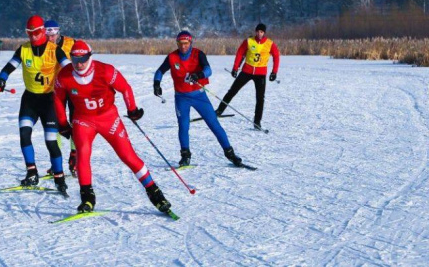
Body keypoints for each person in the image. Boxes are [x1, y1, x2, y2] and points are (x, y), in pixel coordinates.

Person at [54, 40, 172, 214]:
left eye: (83, 59)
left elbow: (125, 88)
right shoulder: (64, 75)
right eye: (75, 59)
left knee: (128, 156)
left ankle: (155, 193)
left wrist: (132, 110)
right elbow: (58, 99)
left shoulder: (105, 71)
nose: (79, 64)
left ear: (90, 57)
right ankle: (87, 198)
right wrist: (63, 123)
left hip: (108, 118)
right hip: (83, 120)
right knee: (82, 154)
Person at [0, 15, 71, 193]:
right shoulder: (24, 50)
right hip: (29, 100)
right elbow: (8, 67)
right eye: (29, 33)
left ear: (43, 31)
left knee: (51, 141)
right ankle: (32, 173)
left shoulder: (55, 50)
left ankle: (59, 177)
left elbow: (69, 69)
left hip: (50, 101)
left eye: (36, 32)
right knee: (24, 134)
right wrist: (1, 81)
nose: (33, 36)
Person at [153, 31, 242, 167]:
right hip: (181, 97)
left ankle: (230, 153)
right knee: (183, 126)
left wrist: (199, 74)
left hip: (199, 96)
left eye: (186, 43)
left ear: (190, 43)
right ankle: (185, 156)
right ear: (177, 44)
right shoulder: (172, 57)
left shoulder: (198, 54)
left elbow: (208, 69)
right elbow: (160, 71)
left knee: (214, 124)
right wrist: (156, 84)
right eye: (180, 43)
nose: (183, 46)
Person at [216, 23, 280, 129]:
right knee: (232, 90)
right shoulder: (249, 41)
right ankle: (219, 110)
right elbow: (240, 53)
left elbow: (276, 57)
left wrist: (274, 72)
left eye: (262, 32)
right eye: (258, 31)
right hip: (247, 71)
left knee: (260, 98)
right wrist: (235, 68)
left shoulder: (270, 43)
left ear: (264, 33)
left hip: (260, 74)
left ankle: (257, 122)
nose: (259, 34)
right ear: (256, 32)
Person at [44, 19, 77, 175]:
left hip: (72, 89)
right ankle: (55, 162)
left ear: (58, 32)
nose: (50, 39)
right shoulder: (42, 46)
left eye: (53, 35)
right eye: (47, 35)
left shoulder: (71, 43)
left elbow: (84, 59)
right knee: (54, 125)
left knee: (76, 122)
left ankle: (74, 157)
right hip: (53, 90)